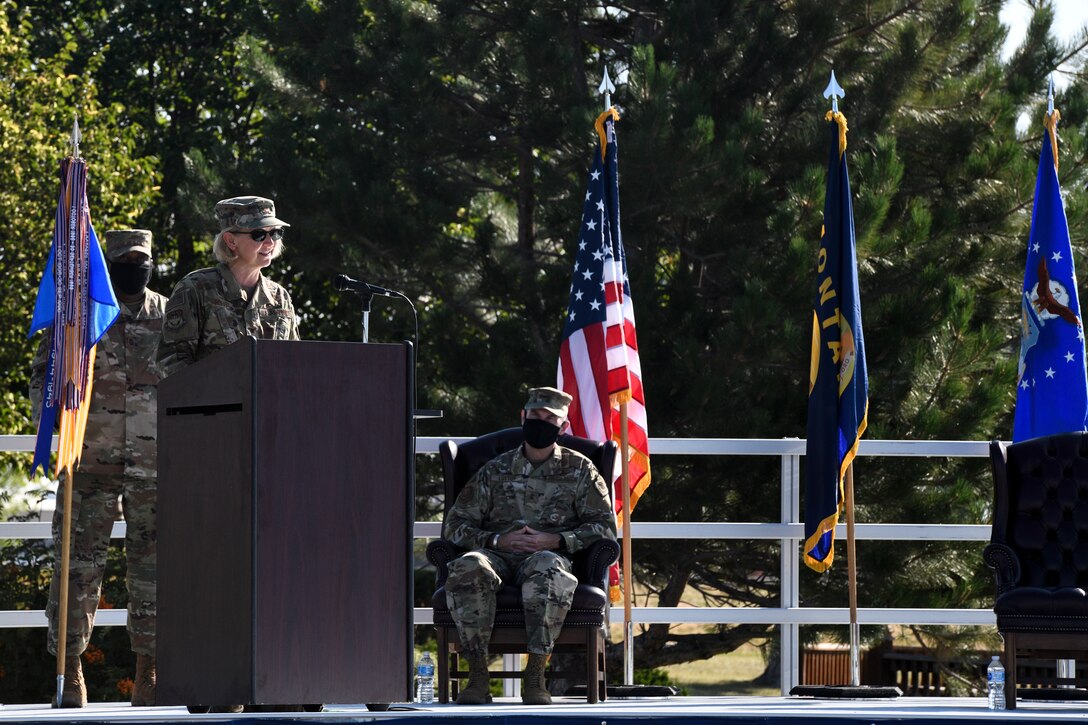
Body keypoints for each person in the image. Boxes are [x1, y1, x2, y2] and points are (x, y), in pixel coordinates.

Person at [30, 229, 167, 708]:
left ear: (151, 262)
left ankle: (149, 672)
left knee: (154, 572)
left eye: (141, 259)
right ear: (107, 264)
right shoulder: (79, 316)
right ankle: (70, 671)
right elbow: (43, 380)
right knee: (77, 569)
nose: (135, 266)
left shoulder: (168, 315)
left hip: (154, 466)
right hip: (88, 461)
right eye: (125, 260)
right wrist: (55, 440)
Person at [443, 387, 618, 705]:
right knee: (468, 566)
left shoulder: (580, 470)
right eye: (535, 415)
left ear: (563, 427)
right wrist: (496, 540)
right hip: (495, 553)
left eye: (550, 418)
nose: (541, 422)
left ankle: (536, 673)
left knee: (549, 569)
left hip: (547, 554)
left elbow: (604, 526)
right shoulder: (495, 469)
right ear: (523, 417)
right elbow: (455, 525)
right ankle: (478, 675)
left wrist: (558, 539)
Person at [157, 195, 299, 378]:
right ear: (231, 241)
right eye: (259, 234)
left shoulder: (280, 297)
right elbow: (172, 362)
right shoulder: (196, 289)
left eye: (275, 233)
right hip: (214, 404)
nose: (270, 242)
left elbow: (294, 363)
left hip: (270, 405)